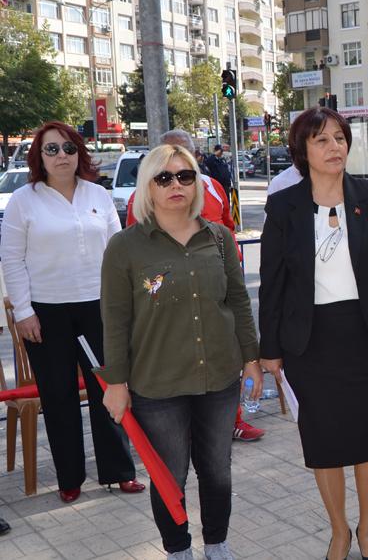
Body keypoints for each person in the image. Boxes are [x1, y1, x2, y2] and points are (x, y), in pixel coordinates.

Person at [257, 107, 368, 560]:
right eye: (322, 140)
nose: (334, 148)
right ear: (302, 151)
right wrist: (269, 349)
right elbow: (273, 283)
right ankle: (338, 532)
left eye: (340, 139)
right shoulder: (284, 207)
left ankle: (367, 531)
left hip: (366, 337)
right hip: (310, 343)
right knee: (324, 443)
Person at [101, 144, 262, 560]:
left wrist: (252, 361)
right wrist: (116, 383)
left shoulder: (220, 237)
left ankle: (217, 544)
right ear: (147, 186)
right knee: (169, 475)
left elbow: (239, 303)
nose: (176, 185)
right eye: (164, 177)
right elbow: (115, 321)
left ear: (197, 183)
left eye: (185, 176)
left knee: (216, 471)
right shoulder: (125, 247)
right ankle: (177, 549)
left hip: (219, 378)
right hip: (158, 385)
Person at [0, 121, 144, 504]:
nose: (61, 156)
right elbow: (11, 259)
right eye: (51, 150)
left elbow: (119, 254)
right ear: (39, 157)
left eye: (68, 148)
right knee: (59, 395)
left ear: (79, 152)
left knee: (108, 390)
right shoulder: (23, 200)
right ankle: (70, 477)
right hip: (46, 315)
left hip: (99, 309)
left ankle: (119, 471)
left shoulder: (98, 194)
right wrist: (25, 312)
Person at [123, 130, 265, 443]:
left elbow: (227, 227)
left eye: (185, 160)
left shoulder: (213, 187)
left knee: (221, 358)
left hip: (216, 287)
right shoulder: (139, 197)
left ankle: (232, 421)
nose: (176, 174)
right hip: (168, 297)